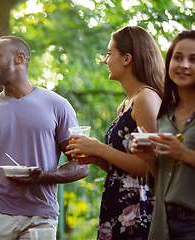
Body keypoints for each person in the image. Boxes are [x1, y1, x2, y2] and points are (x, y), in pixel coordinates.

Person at [0, 36, 89, 240]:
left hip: (41, 217)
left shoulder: (58, 106)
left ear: (20, 58)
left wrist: (42, 177)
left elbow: (81, 164)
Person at [65, 26, 165, 239]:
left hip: (141, 210)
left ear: (127, 58)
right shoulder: (125, 105)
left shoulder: (146, 98)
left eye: (109, 54)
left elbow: (150, 167)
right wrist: (97, 159)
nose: (105, 60)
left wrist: (99, 147)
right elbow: (123, 171)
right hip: (117, 205)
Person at [131, 30, 195, 240]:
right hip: (163, 222)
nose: (184, 65)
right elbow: (164, 184)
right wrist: (150, 159)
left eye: (193, 60)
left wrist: (184, 154)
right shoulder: (164, 116)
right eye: (178, 58)